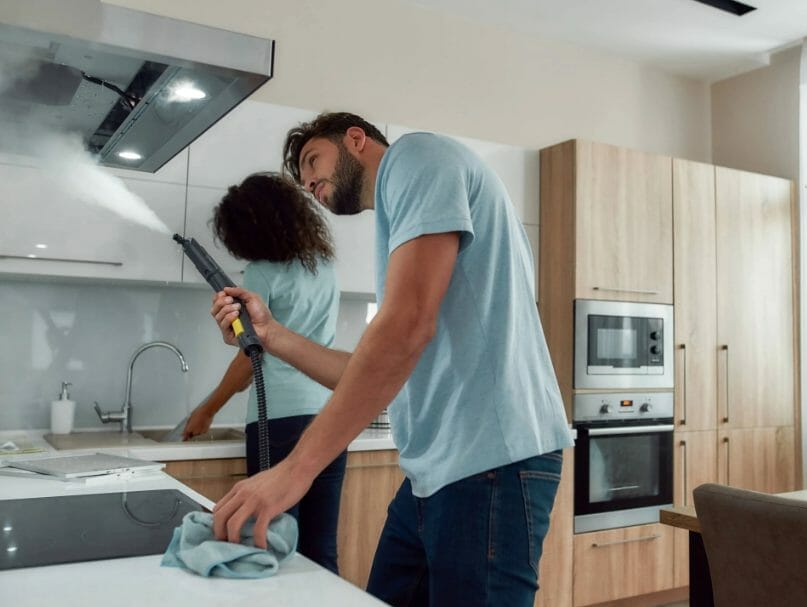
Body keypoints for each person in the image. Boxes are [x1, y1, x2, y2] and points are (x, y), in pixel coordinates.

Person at [209, 113, 573, 606]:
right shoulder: (402, 220)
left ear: (356, 140)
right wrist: (272, 335)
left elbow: (404, 330)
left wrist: (295, 470)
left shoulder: (418, 157)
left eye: (313, 160)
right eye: (302, 179)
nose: (309, 181)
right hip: (436, 472)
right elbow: (367, 368)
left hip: (491, 462)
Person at [183, 172, 345, 572]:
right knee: (320, 549)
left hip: (278, 421)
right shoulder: (324, 267)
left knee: (269, 543)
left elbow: (249, 359)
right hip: (330, 415)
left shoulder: (261, 273)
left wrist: (207, 410)